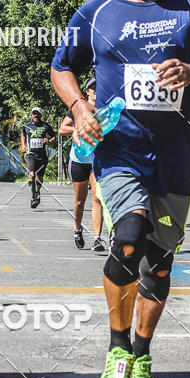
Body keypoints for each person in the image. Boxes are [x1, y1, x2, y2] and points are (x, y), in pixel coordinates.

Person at [51, 0, 190, 378]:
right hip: (119, 152)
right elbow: (61, 67)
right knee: (128, 237)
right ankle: (118, 350)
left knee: (159, 263)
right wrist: (79, 108)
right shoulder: (95, 13)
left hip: (172, 156)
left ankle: (143, 356)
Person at [59, 77, 105, 251]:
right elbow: (62, 129)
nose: (96, 90)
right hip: (79, 160)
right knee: (80, 201)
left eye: (98, 86)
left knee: (97, 198)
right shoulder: (78, 108)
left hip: (96, 159)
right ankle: (78, 230)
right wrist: (76, 129)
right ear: (87, 91)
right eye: (92, 87)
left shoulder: (103, 109)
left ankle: (97, 238)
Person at [20, 107, 56, 208]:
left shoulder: (46, 126)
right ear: (31, 115)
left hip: (42, 155)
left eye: (37, 114)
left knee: (39, 177)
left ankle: (37, 192)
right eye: (33, 113)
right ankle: (33, 198)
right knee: (31, 174)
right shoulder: (26, 125)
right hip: (30, 154)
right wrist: (23, 145)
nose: (35, 115)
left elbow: (53, 137)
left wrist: (48, 141)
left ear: (40, 115)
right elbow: (23, 134)